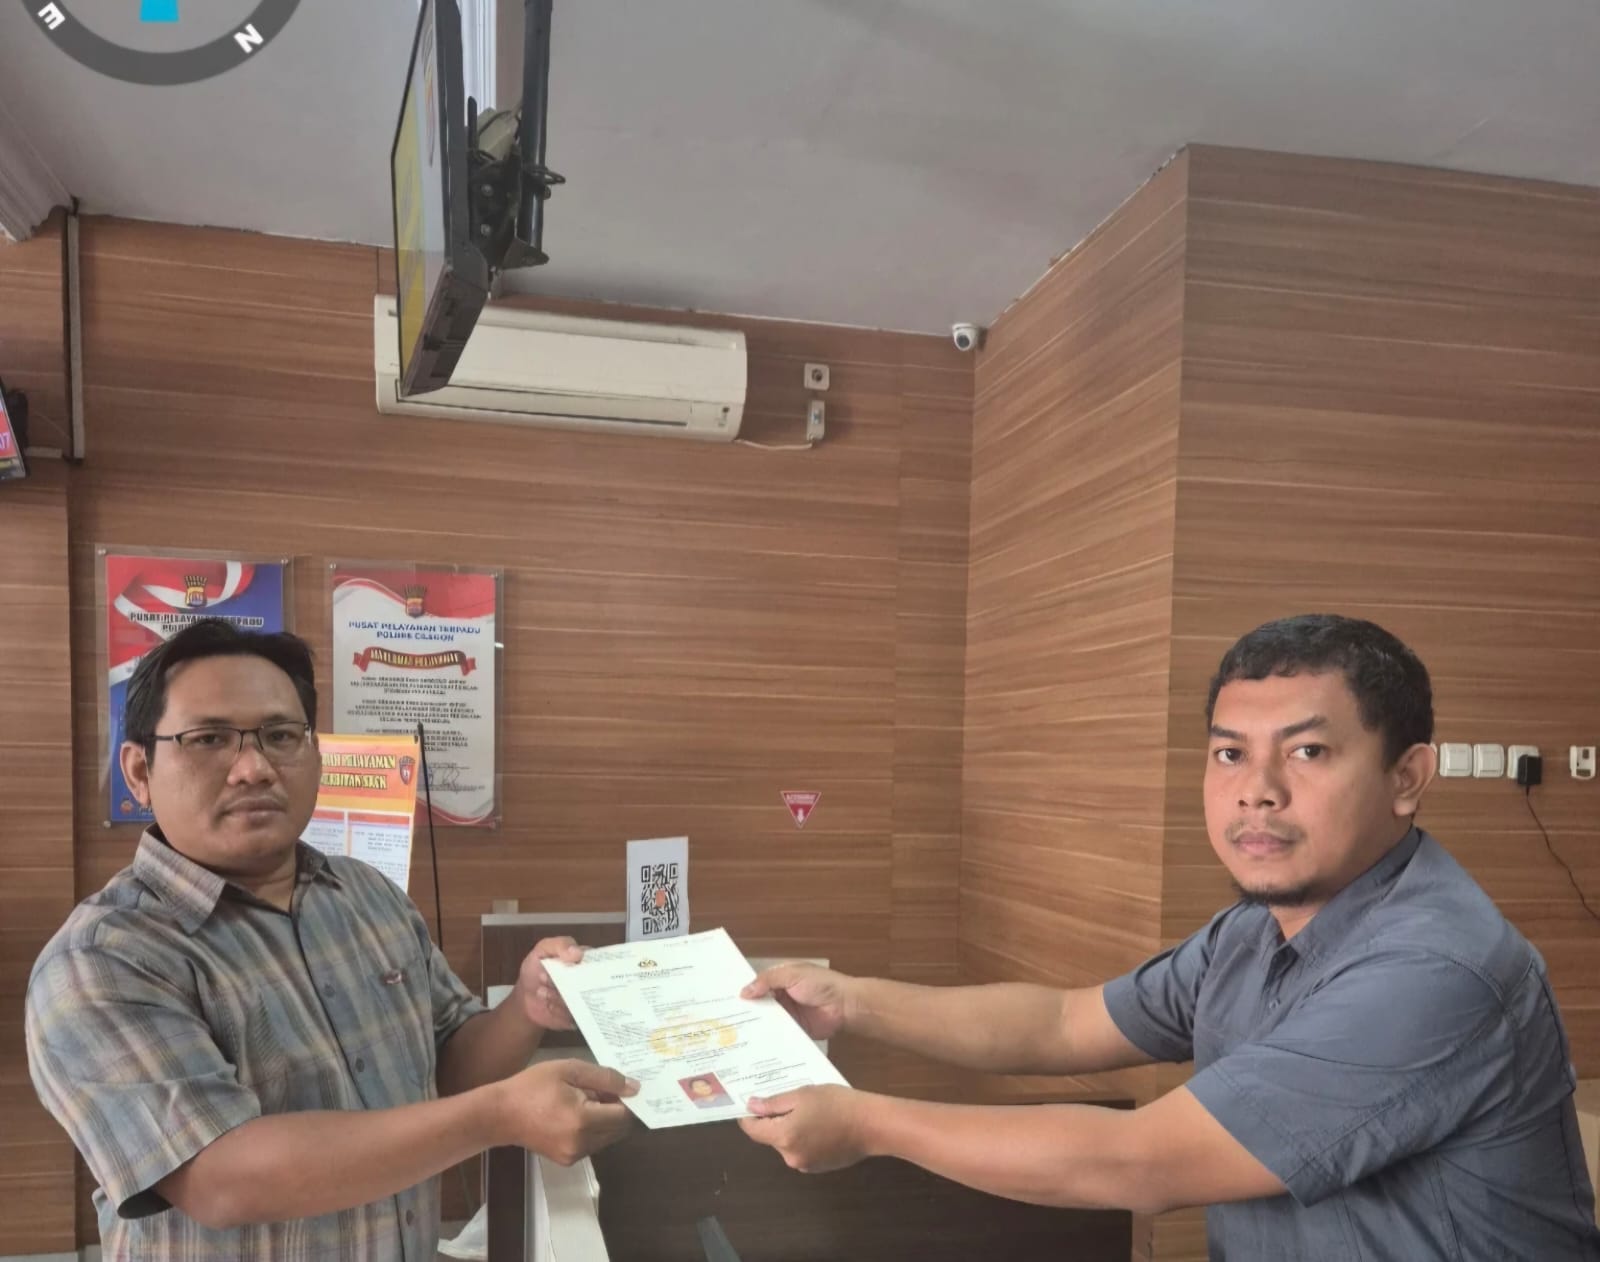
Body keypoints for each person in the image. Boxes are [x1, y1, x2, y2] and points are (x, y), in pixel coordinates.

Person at [738, 614, 1600, 1259]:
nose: (1256, 791)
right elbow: (1064, 1024)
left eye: (1306, 753)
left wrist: (868, 1124)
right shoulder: (1251, 931)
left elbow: (1135, 1164)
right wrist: (849, 1002)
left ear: (1407, 776)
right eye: (1230, 754)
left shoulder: (1433, 968)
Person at [26, 619, 636, 1259]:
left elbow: (449, 1067)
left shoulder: (367, 896)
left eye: (280, 736)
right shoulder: (102, 958)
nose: (253, 768)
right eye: (208, 739)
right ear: (139, 770)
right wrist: (498, 1116)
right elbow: (222, 1179)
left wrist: (525, 1009)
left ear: (316, 753)